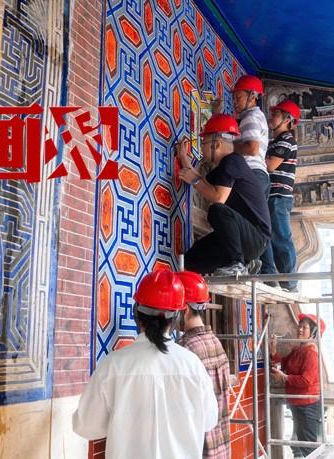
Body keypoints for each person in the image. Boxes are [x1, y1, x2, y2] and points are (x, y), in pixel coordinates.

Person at [73, 270, 218, 459]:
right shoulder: (193, 366)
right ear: (176, 317)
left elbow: (86, 426)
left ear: (136, 313)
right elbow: (209, 420)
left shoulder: (113, 365)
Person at [177, 114, 271, 276]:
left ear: (217, 144)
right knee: (190, 261)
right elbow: (201, 182)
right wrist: (183, 158)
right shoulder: (223, 168)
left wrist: (195, 181)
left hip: (255, 238)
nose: (202, 149)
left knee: (217, 210)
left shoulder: (232, 161)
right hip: (239, 237)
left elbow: (218, 197)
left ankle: (238, 264)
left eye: (204, 144)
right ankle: (244, 261)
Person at [176, 271, 231, 459]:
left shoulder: (184, 348)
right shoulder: (216, 342)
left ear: (184, 310)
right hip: (221, 450)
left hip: (200, 451)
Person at [270, 313, 326, 457]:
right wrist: (273, 350)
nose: (300, 329)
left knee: (309, 447)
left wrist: (284, 377)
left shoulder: (311, 353)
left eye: (304, 327)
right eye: (299, 326)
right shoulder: (298, 349)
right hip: (298, 403)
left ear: (313, 333)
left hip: (307, 405)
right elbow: (283, 363)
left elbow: (306, 380)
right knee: (303, 444)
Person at [260, 99, 301, 291]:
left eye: (276, 114)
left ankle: (290, 283)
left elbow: (269, 165)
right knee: (267, 236)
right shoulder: (274, 142)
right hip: (270, 195)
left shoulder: (286, 140)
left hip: (279, 197)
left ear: (287, 120)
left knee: (281, 237)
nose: (271, 117)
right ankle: (271, 276)